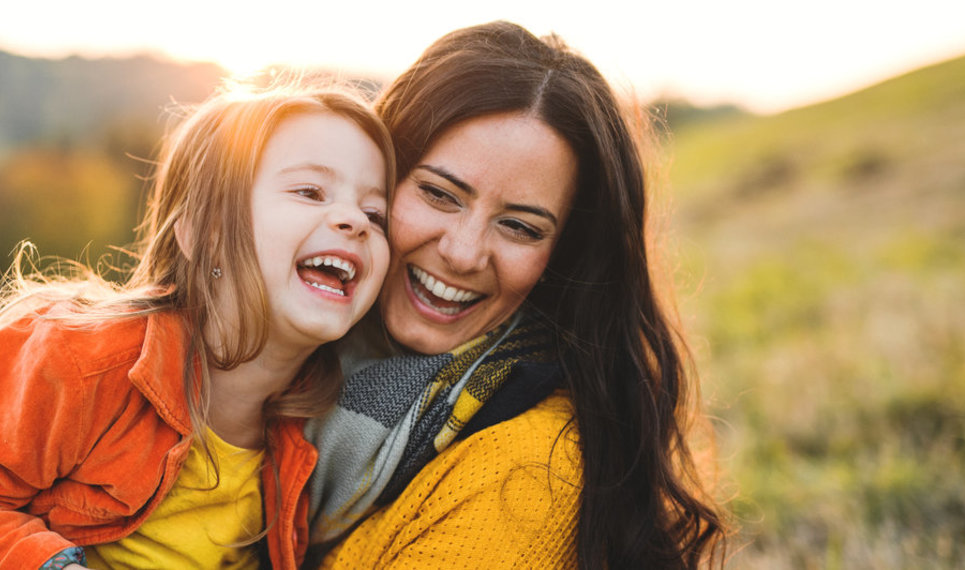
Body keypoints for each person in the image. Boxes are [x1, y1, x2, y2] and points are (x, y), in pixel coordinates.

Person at [0, 82, 395, 570]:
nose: (355, 222)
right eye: (310, 192)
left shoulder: (320, 422)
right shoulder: (81, 361)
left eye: (376, 214)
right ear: (202, 232)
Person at [305, 21, 730, 569]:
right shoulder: (272, 358)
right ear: (375, 179)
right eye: (438, 193)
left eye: (521, 228)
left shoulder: (525, 471)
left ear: (563, 257)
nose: (462, 253)